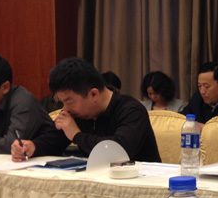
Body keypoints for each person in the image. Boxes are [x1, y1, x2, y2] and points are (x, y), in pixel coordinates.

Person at [11, 57, 161, 162]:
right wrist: (32, 147)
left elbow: (117, 152)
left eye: (69, 101)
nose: (65, 108)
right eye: (61, 102)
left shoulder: (132, 110)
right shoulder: (76, 113)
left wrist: (76, 135)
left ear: (94, 94)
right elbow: (53, 141)